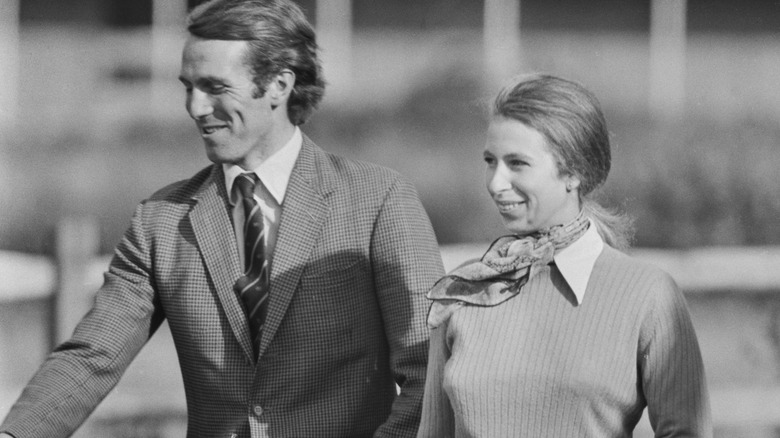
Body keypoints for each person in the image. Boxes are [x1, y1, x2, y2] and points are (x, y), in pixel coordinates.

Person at [1, 1, 444, 437]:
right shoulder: (159, 221)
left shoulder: (379, 200)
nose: (195, 106)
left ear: (278, 85)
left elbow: (428, 367)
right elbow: (91, 358)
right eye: (188, 87)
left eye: (215, 87)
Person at [416, 74, 711, 437]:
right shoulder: (464, 288)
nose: (495, 182)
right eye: (490, 161)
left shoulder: (648, 294)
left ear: (574, 171)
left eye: (517, 163)